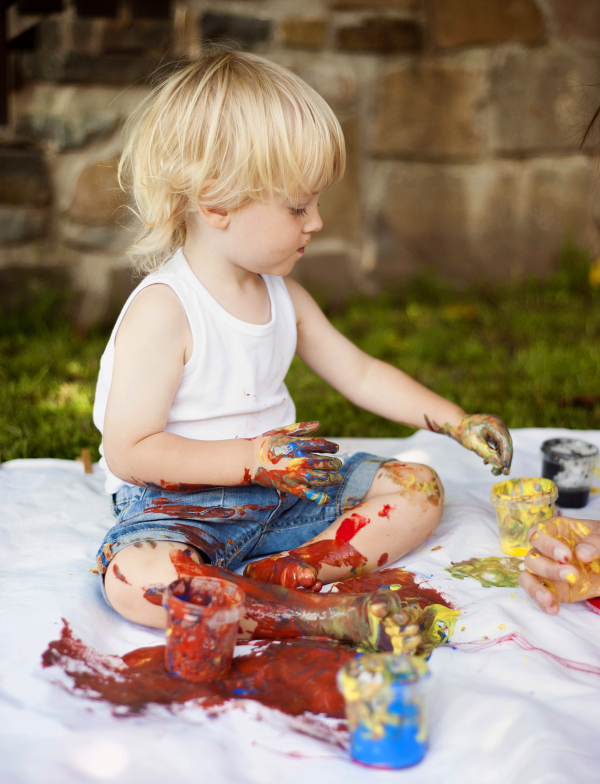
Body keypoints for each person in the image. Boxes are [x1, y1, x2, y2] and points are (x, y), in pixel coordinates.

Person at [93, 50, 512, 637]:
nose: (316, 222)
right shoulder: (165, 309)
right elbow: (130, 451)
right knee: (135, 578)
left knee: (418, 487)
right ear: (216, 202)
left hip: (289, 499)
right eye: (297, 206)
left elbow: (361, 373)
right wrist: (251, 459)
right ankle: (310, 617)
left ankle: (292, 572)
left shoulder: (282, 295)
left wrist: (456, 420)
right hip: (182, 514)